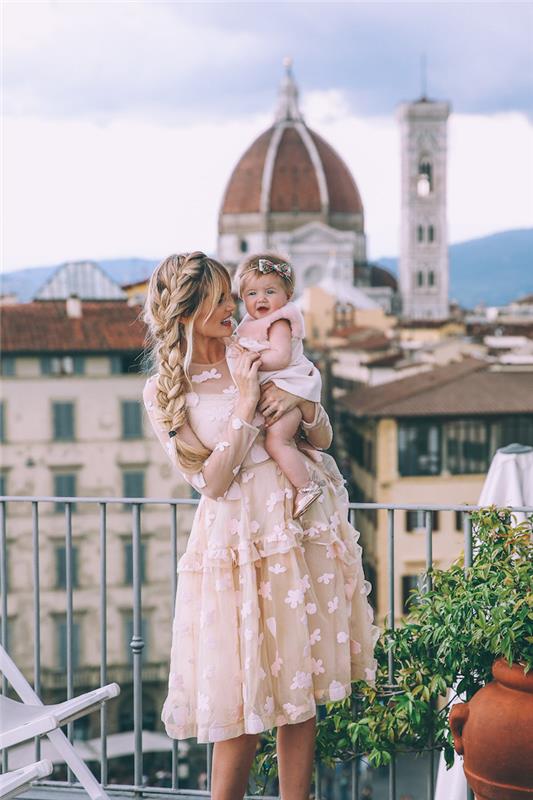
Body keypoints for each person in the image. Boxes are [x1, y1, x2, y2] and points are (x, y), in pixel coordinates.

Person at [142, 252, 379, 800]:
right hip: (235, 547)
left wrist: (302, 400)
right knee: (242, 701)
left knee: (299, 693)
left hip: (297, 534)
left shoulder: (260, 349)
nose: (235, 308)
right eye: (221, 300)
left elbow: (320, 440)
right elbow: (214, 482)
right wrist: (248, 402)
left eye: (233, 296)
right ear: (187, 312)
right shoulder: (162, 391)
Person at [227, 253, 323, 518]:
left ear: (288, 295)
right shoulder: (251, 323)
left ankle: (307, 487)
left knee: (276, 443)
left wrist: (250, 360)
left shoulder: (279, 321)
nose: (261, 299)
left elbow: (280, 357)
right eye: (252, 294)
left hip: (290, 390)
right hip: (280, 393)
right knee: (282, 441)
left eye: (270, 291)